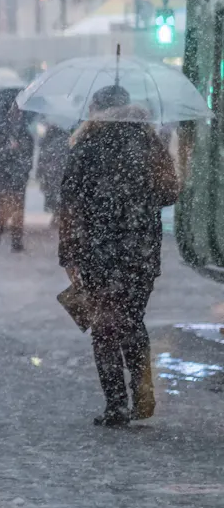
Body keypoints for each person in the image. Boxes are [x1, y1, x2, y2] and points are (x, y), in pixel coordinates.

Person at [58, 86, 179, 427]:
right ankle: (142, 392)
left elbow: (70, 202)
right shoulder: (150, 142)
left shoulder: (87, 143)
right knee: (132, 320)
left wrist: (69, 253)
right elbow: (169, 192)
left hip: (98, 250)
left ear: (96, 108)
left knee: (106, 328)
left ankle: (116, 405)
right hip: (141, 250)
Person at [0, 106, 35, 252]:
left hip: (19, 178)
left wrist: (23, 165)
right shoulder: (1, 133)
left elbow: (29, 156)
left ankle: (16, 239)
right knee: (4, 209)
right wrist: (8, 151)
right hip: (5, 177)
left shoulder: (26, 134)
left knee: (18, 210)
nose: (17, 115)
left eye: (19, 112)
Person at [37, 122, 71, 225]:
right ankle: (58, 215)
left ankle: (57, 215)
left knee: (54, 194)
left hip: (53, 171)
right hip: (57, 171)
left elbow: (43, 156)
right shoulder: (66, 137)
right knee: (58, 194)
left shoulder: (52, 140)